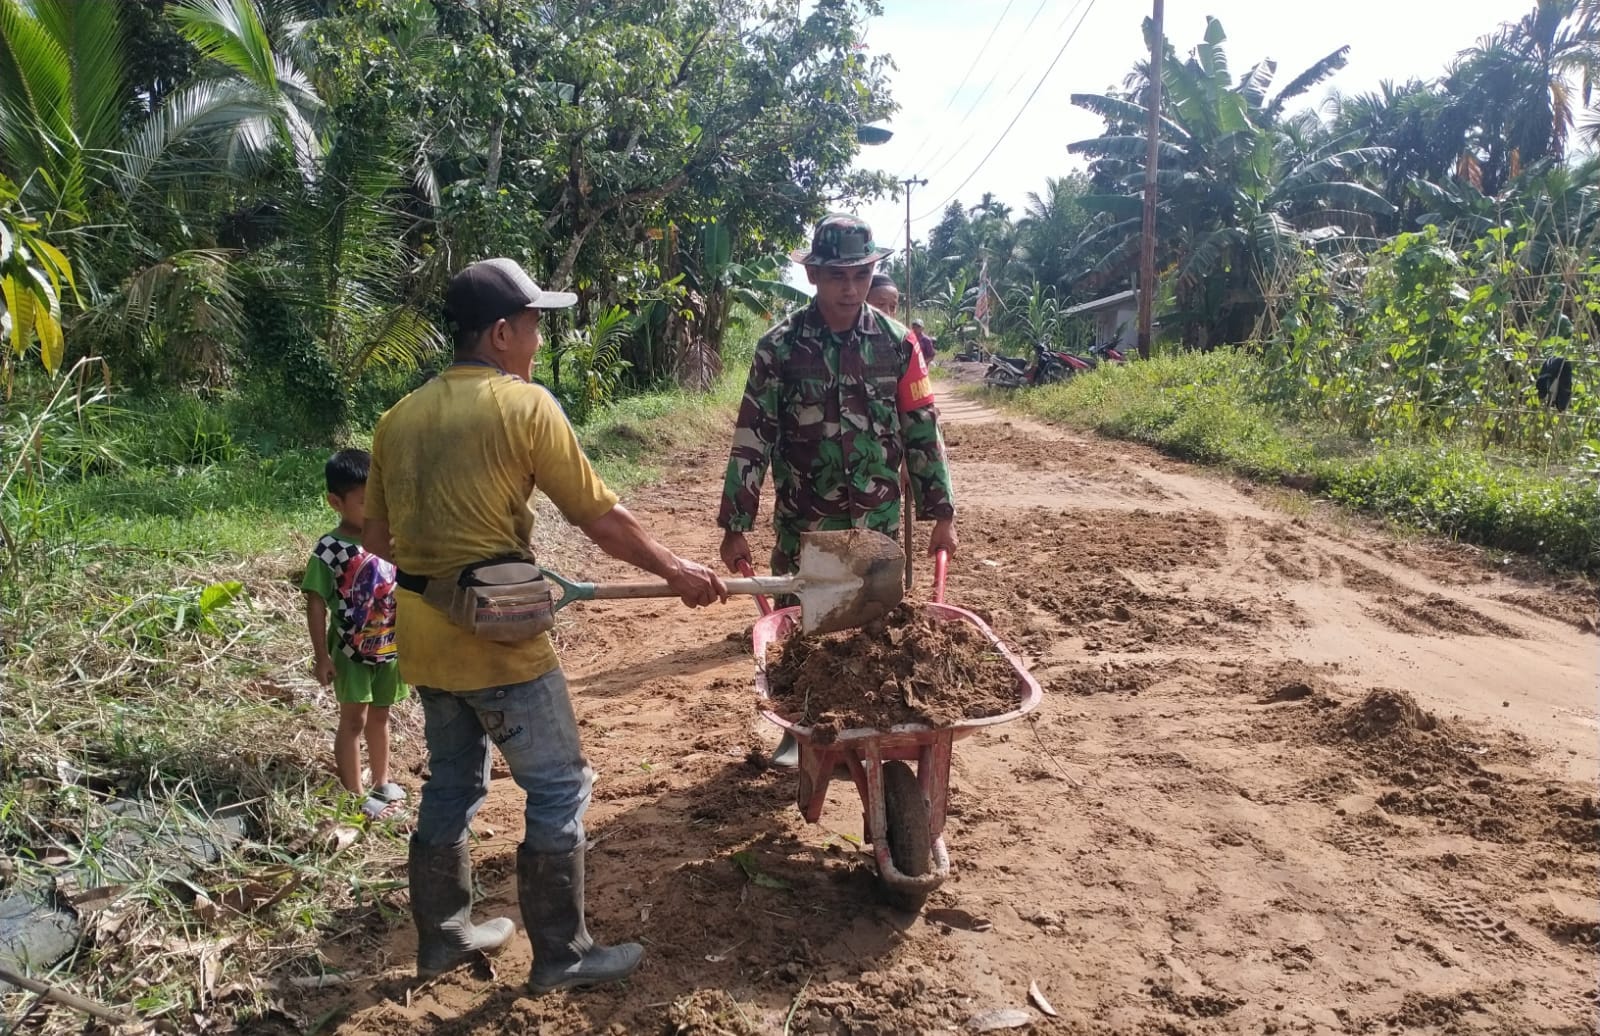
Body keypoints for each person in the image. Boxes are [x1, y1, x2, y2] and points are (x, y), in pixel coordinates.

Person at [364, 258, 728, 991]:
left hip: (424, 638)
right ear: (500, 333)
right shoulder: (525, 407)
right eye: (532, 326)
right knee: (559, 787)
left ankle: (443, 938)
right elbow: (602, 519)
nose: (536, 340)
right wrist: (676, 572)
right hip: (500, 643)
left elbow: (376, 542)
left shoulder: (396, 418)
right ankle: (562, 956)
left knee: (450, 786)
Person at [717, 214, 958, 764]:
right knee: (804, 634)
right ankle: (798, 731)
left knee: (879, 635)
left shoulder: (899, 346)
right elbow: (753, 436)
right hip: (808, 526)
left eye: (860, 274)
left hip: (877, 525)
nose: (850, 288)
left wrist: (941, 514)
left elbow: (923, 429)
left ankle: (878, 733)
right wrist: (736, 524)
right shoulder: (779, 349)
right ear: (815, 277)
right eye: (837, 276)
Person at [301, 448, 409, 822]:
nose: (375, 510)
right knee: (354, 721)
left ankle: (382, 780)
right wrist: (322, 656)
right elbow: (316, 602)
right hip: (351, 652)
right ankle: (354, 795)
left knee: (381, 716)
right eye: (365, 503)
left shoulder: (391, 539)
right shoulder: (330, 549)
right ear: (336, 502)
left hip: (390, 648)